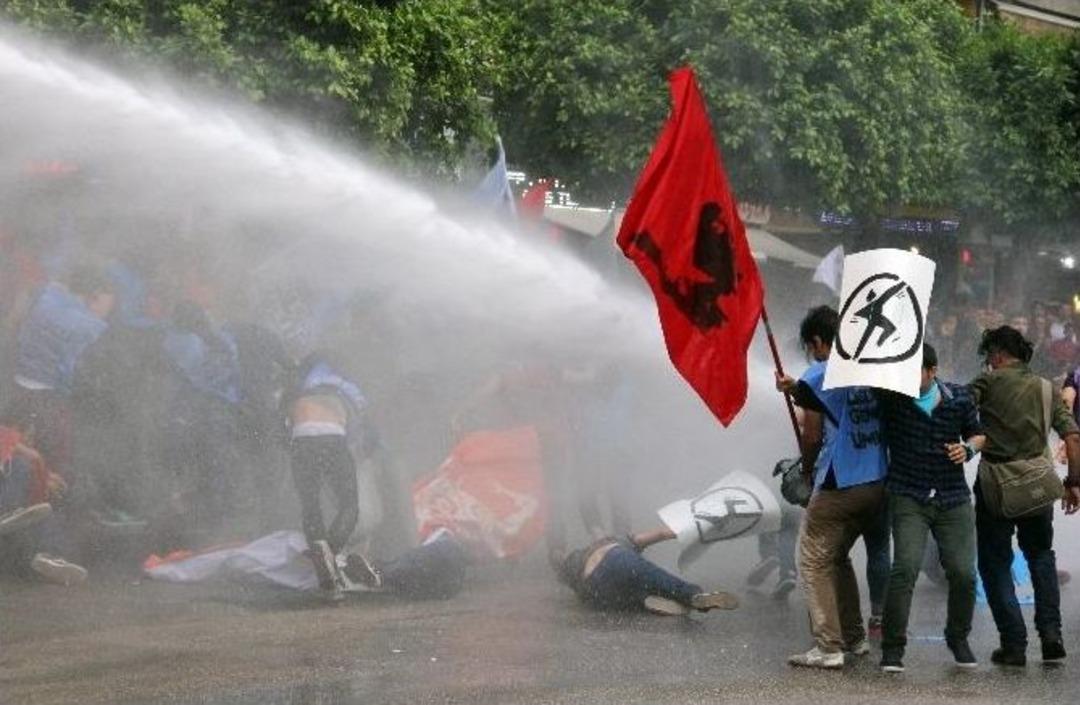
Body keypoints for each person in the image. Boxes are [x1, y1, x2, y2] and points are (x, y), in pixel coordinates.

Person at [775, 306, 889, 669]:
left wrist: (807, 472)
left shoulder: (825, 370)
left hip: (841, 482)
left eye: (812, 347)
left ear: (818, 341)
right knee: (836, 556)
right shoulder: (871, 366)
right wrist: (794, 387)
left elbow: (811, 432)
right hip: (877, 480)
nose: (813, 354)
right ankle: (854, 638)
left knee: (812, 558)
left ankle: (828, 646)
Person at [971, 326, 1080, 666]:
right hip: (1037, 487)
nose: (989, 363)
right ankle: (1051, 635)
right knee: (1041, 556)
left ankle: (1014, 644)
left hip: (996, 487)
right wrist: (1073, 482)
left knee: (995, 562)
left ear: (998, 354)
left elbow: (957, 410)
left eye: (990, 357)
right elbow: (1072, 437)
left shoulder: (986, 383)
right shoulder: (1047, 388)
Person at [875, 344, 984, 672]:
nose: (908, 378)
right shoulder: (892, 399)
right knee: (905, 568)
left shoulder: (959, 398)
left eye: (916, 371)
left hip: (952, 497)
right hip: (908, 494)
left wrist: (967, 450)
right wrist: (796, 390)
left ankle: (958, 636)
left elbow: (979, 435)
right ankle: (893, 647)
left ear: (932, 371)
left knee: (964, 573)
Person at [10, 265, 115, 482]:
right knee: (54, 460)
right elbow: (72, 369)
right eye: (107, 305)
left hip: (19, 384)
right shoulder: (86, 324)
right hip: (48, 396)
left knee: (18, 448)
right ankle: (44, 492)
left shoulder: (47, 297)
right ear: (93, 296)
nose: (107, 313)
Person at [285, 351, 367, 599]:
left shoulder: (299, 388)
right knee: (349, 505)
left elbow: (283, 426)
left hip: (301, 439)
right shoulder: (347, 386)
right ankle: (330, 554)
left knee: (311, 506)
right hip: (333, 437)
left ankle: (326, 573)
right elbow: (359, 429)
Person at [553, 526, 738, 615]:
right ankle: (691, 596)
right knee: (653, 577)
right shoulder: (617, 541)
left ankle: (643, 601)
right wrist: (693, 529)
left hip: (593, 588)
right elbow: (661, 534)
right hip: (617, 558)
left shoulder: (575, 563)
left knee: (618, 598)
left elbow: (560, 563)